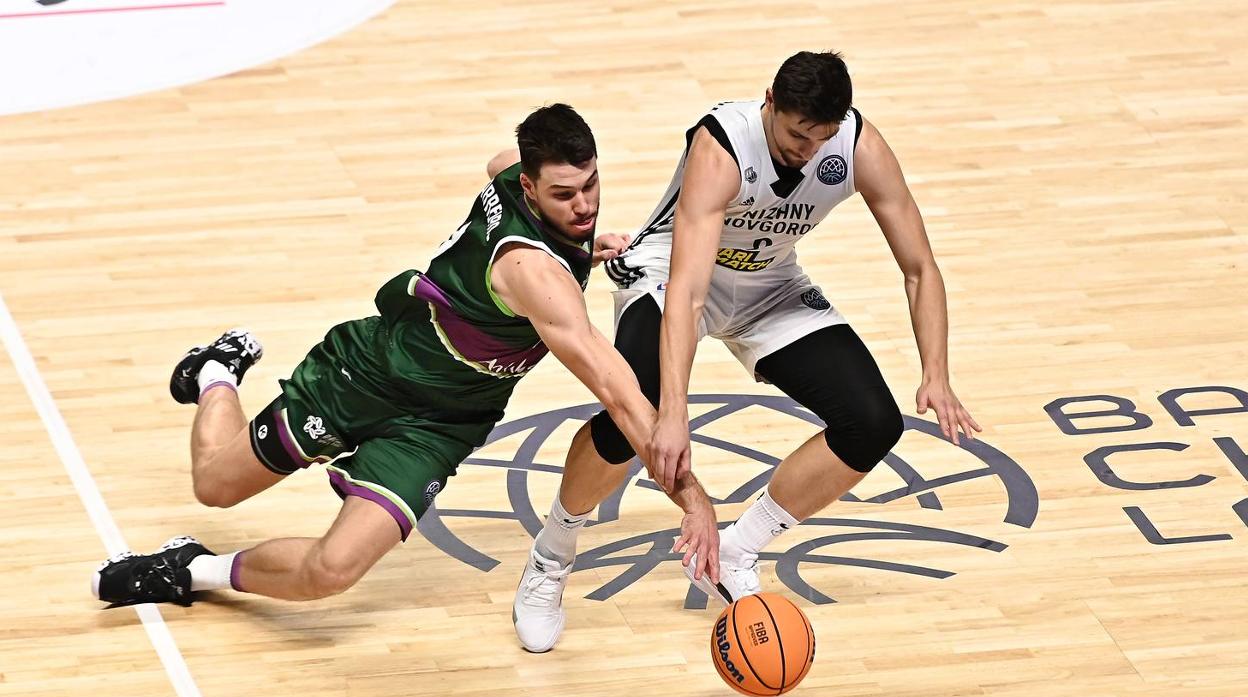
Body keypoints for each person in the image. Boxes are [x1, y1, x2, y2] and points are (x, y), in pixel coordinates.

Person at [92, 105, 721, 647]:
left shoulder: (517, 179)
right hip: (366, 375)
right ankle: (216, 371)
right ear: (528, 188)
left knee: (332, 571)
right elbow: (621, 394)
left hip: (440, 425)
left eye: (590, 186)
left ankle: (188, 571)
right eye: (564, 195)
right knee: (213, 486)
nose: (584, 206)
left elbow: (497, 157)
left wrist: (584, 243)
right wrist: (693, 499)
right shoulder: (535, 274)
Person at [512, 51, 981, 649]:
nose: (807, 150)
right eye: (794, 135)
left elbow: (920, 266)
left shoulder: (858, 146)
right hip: (669, 274)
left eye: (821, 138)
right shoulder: (723, 145)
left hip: (769, 284)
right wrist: (673, 415)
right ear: (769, 103)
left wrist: (935, 373)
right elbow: (687, 291)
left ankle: (738, 548)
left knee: (872, 422)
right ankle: (552, 555)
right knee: (634, 418)